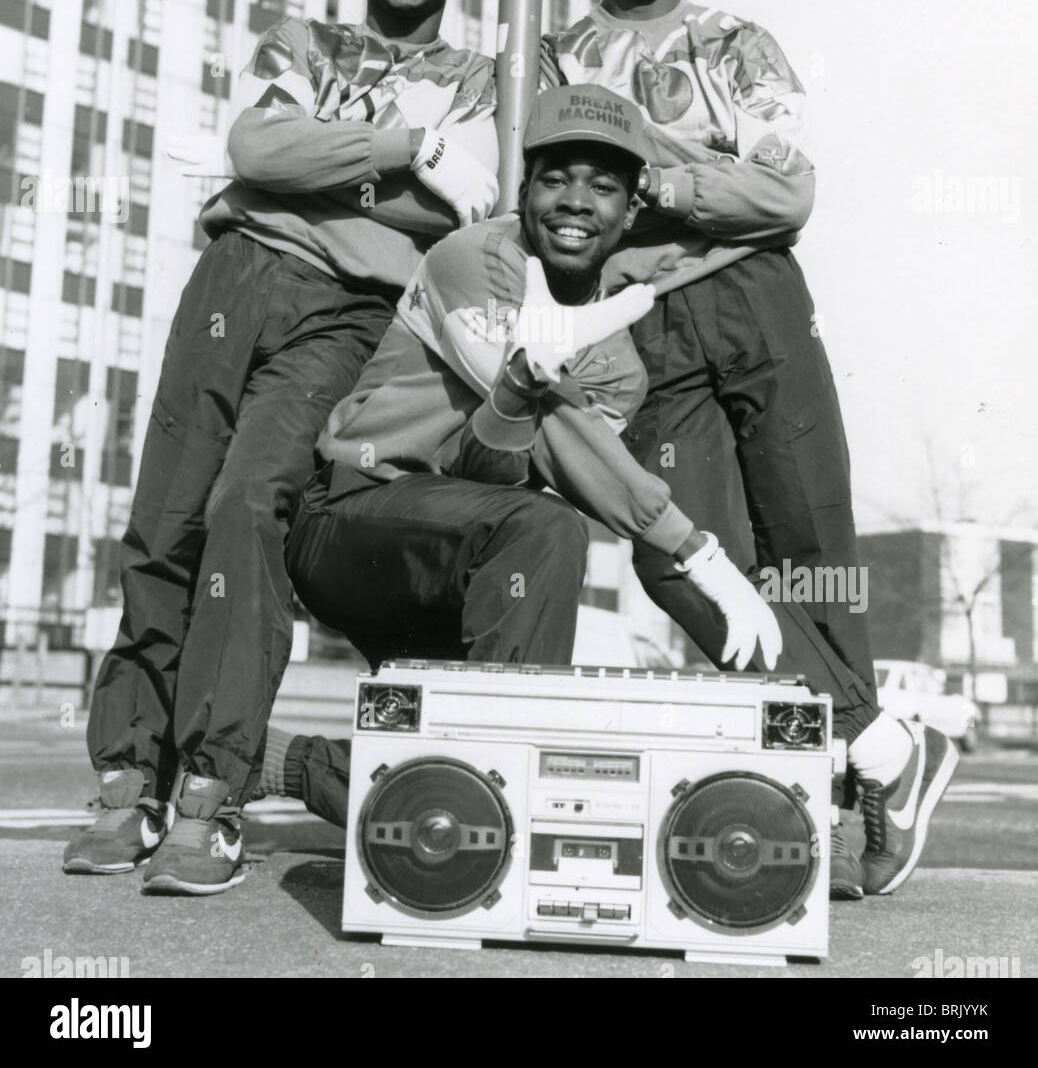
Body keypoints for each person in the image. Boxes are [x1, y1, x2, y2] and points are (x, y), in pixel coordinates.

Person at [257, 85, 957, 903]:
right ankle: (488, 829)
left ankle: (290, 764)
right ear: (524, 193)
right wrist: (693, 549)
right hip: (351, 521)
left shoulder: (619, 362)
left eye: (603, 187)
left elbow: (501, 468)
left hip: (456, 562)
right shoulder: (475, 259)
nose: (575, 204)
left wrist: (525, 404)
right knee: (542, 536)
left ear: (632, 214)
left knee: (485, 766)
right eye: (557, 179)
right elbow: (534, 414)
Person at [63, 0, 499, 896]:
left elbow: (454, 213)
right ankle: (130, 771)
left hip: (345, 312)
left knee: (248, 507)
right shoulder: (307, 40)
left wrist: (330, 162)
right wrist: (402, 147)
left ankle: (211, 795)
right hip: (235, 274)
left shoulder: (475, 78)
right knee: (164, 516)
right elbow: (257, 148)